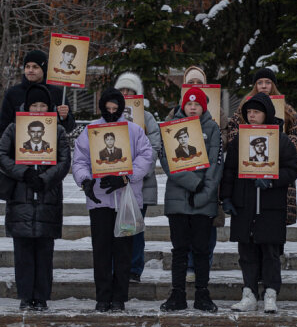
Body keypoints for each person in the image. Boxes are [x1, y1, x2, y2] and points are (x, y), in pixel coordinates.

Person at [72, 88, 154, 312]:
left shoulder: (134, 131)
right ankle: (102, 296)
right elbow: (80, 160)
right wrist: (85, 181)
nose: (111, 112)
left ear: (121, 108)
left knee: (123, 250)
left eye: (115, 108)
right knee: (101, 249)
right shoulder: (91, 131)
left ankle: (119, 296)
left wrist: (127, 177)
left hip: (126, 199)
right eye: (107, 108)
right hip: (100, 200)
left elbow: (146, 156)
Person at [221, 93, 297, 313]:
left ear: (267, 114)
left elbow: (292, 169)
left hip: (271, 205)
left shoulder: (281, 140)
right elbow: (229, 170)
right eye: (249, 112)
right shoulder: (239, 140)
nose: (252, 116)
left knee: (271, 252)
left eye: (256, 112)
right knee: (246, 252)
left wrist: (272, 180)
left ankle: (271, 293)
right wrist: (226, 197)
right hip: (244, 203)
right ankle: (249, 292)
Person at [0, 84, 70, 311]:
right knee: (23, 251)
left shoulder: (57, 130)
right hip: (21, 196)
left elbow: (64, 161)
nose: (38, 109)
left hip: (48, 197)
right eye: (34, 105)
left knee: (45, 251)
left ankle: (42, 296)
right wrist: (24, 173)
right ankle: (26, 295)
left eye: (42, 105)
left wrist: (45, 179)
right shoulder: (14, 128)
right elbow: (1, 155)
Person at [159, 87, 223, 313]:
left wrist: (204, 194)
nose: (193, 108)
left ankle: (202, 294)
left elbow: (216, 164)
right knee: (179, 249)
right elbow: (167, 161)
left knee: (201, 250)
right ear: (183, 106)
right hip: (177, 199)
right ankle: (177, 294)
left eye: (197, 104)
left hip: (203, 202)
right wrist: (193, 184)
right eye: (189, 104)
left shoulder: (212, 128)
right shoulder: (171, 128)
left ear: (203, 107)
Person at [224, 68, 297, 225]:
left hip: (277, 166)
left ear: (273, 85)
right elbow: (232, 131)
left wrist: (281, 146)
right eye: (260, 82)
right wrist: (243, 144)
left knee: (273, 218)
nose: (263, 86)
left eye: (268, 82)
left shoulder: (286, 108)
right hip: (248, 168)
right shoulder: (244, 107)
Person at [114, 72, 161, 283]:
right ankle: (116, 267)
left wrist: (138, 172)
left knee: (134, 228)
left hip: (140, 184)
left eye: (130, 91)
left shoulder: (147, 118)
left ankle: (134, 268)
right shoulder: (111, 115)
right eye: (122, 90)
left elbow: (154, 147)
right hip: (113, 184)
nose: (125, 94)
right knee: (114, 228)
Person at [0, 50, 76, 140]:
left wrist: (65, 118)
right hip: (20, 147)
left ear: (44, 69)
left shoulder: (57, 93)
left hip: (50, 146)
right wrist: (1, 148)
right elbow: (3, 128)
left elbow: (70, 128)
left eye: (35, 67)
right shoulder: (13, 93)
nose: (30, 70)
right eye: (27, 66)